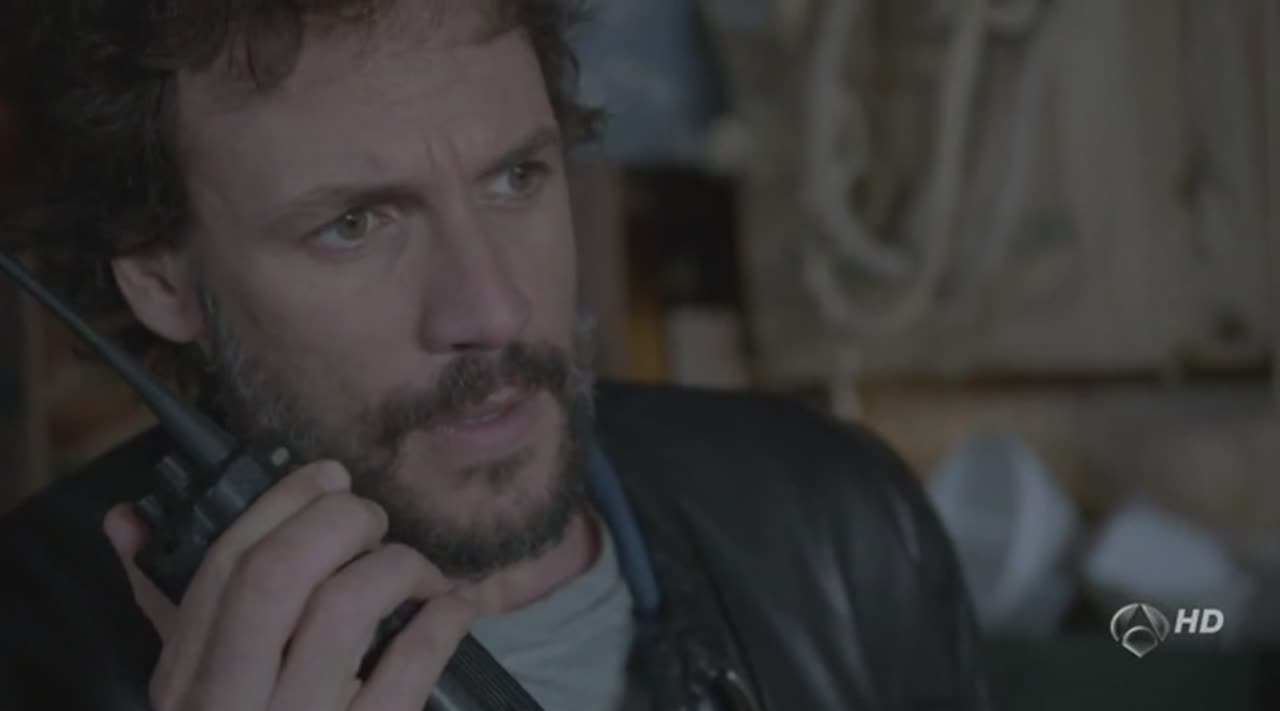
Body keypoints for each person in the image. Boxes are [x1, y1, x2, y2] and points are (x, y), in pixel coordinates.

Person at [0, 1, 992, 709]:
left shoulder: (835, 522)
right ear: (160, 279)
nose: (493, 308)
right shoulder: (32, 641)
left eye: (515, 178)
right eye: (354, 225)